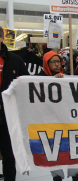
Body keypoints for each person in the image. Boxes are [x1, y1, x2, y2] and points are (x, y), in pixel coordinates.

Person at [40, 51, 78, 181]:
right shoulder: (38, 79)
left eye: (59, 61)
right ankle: (57, 176)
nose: (57, 64)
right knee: (52, 149)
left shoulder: (66, 78)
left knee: (72, 146)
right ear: (46, 64)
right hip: (49, 120)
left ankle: (75, 174)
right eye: (53, 62)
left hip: (66, 118)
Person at [0, 26, 30, 181]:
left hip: (7, 114)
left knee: (8, 152)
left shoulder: (15, 60)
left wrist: (21, 83)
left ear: (1, 39)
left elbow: (28, 82)